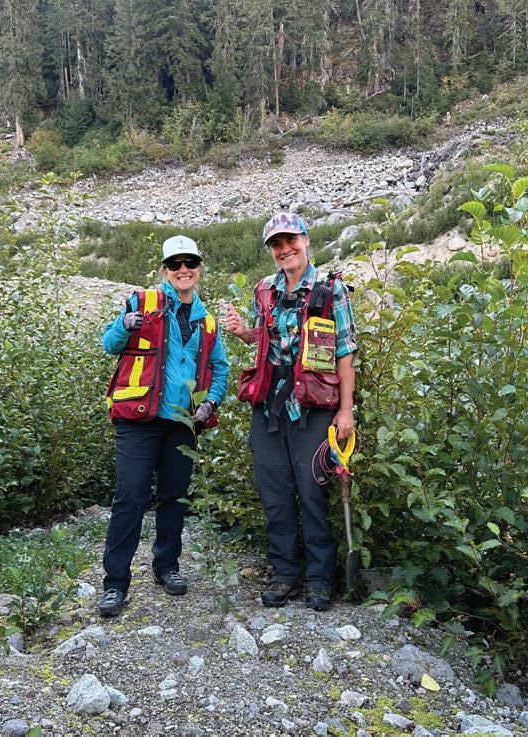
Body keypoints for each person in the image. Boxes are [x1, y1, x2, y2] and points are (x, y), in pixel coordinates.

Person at [225, 213, 357, 612]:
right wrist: (244, 332)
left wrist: (346, 411)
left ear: (306, 240)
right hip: (269, 404)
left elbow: (345, 352)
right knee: (275, 492)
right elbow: (265, 338)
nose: (285, 250)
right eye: (276, 244)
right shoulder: (264, 290)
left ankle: (318, 579)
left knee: (312, 491)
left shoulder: (331, 289)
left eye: (290, 241)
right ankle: (284, 573)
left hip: (314, 407)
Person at [98, 235, 229, 617]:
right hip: (139, 420)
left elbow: (220, 369)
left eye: (190, 263)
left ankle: (167, 567)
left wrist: (210, 402)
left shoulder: (207, 321)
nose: (183, 269)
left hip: (183, 423)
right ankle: (115, 584)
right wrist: (124, 324)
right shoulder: (143, 303)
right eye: (175, 264)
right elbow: (109, 343)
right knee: (131, 498)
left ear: (199, 268)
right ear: (165, 270)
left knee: (174, 498)